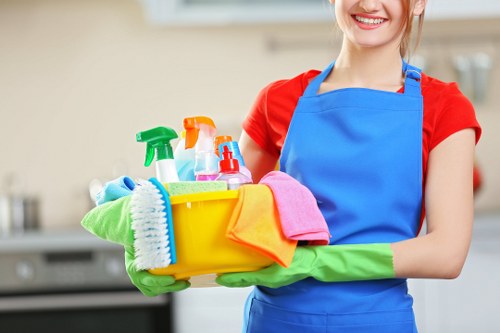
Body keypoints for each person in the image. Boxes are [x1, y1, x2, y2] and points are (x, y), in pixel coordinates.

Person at [213, 0, 482, 332]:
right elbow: (226, 220)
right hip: (277, 319)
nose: (369, 4)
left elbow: (447, 254)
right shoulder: (278, 100)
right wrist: (161, 247)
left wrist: (315, 262)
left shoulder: (445, 109)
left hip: (376, 321)